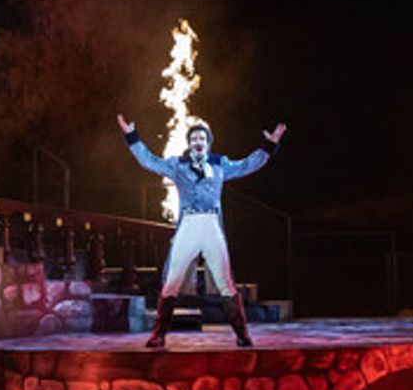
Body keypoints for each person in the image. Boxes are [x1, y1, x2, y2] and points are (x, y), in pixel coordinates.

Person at [117, 114, 286, 347]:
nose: (198, 141)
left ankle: (242, 333)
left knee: (225, 281)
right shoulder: (178, 165)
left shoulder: (219, 164)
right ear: (189, 143)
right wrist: (132, 136)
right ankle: (158, 334)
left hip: (211, 225)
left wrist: (270, 145)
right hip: (188, 224)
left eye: (202, 138)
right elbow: (149, 161)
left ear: (208, 143)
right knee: (172, 281)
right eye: (194, 138)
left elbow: (247, 165)